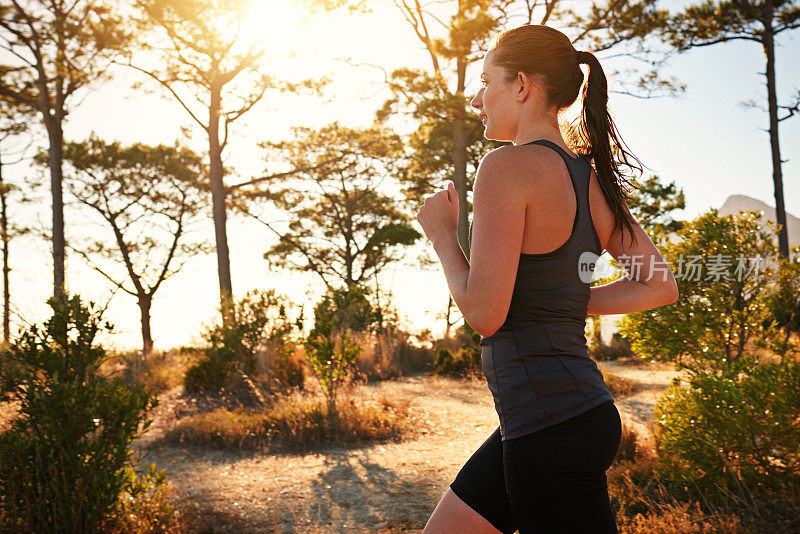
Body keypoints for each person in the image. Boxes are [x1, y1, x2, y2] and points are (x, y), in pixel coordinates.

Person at [415, 24, 680, 534]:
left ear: (520, 85)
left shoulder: (505, 168)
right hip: (568, 417)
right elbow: (658, 284)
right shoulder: (590, 179)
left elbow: (486, 316)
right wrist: (566, 303)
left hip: (550, 428)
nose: (475, 100)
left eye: (485, 82)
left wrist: (444, 238)